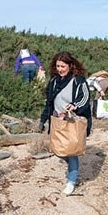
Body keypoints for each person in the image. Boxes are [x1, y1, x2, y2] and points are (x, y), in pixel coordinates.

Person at [39, 52, 92, 195]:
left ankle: (71, 181)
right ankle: (72, 168)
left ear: (70, 66)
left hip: (72, 121)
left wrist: (75, 105)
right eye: (57, 66)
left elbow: (85, 97)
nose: (60, 69)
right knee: (57, 149)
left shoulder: (78, 80)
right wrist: (43, 119)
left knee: (71, 152)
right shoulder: (54, 81)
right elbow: (48, 102)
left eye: (63, 66)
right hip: (57, 120)